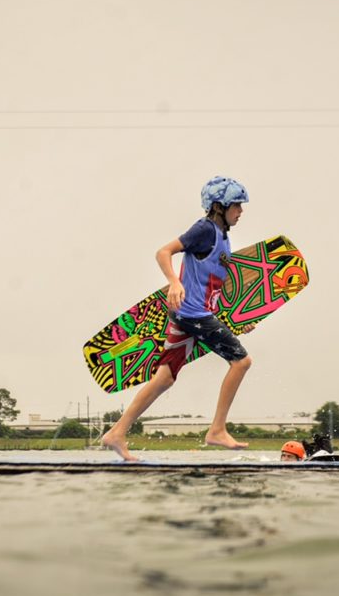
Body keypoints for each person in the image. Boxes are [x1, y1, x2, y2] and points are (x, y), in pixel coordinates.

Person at [101, 176, 255, 461]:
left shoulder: (222, 236)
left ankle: (117, 432)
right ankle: (217, 429)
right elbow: (163, 252)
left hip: (193, 314)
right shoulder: (205, 230)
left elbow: (208, 288)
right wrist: (174, 281)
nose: (241, 211)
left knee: (165, 377)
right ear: (219, 206)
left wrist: (234, 322)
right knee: (241, 362)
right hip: (191, 314)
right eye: (236, 205)